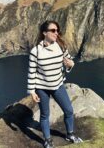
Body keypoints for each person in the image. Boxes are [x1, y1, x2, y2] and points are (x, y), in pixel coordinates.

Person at [27, 20, 83, 148]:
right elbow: (31, 73)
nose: (56, 33)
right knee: (45, 115)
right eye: (53, 30)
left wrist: (70, 65)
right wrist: (32, 91)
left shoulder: (61, 46)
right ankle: (47, 140)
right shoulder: (35, 52)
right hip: (42, 88)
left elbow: (68, 62)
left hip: (58, 85)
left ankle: (70, 134)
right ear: (44, 33)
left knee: (69, 110)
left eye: (57, 30)